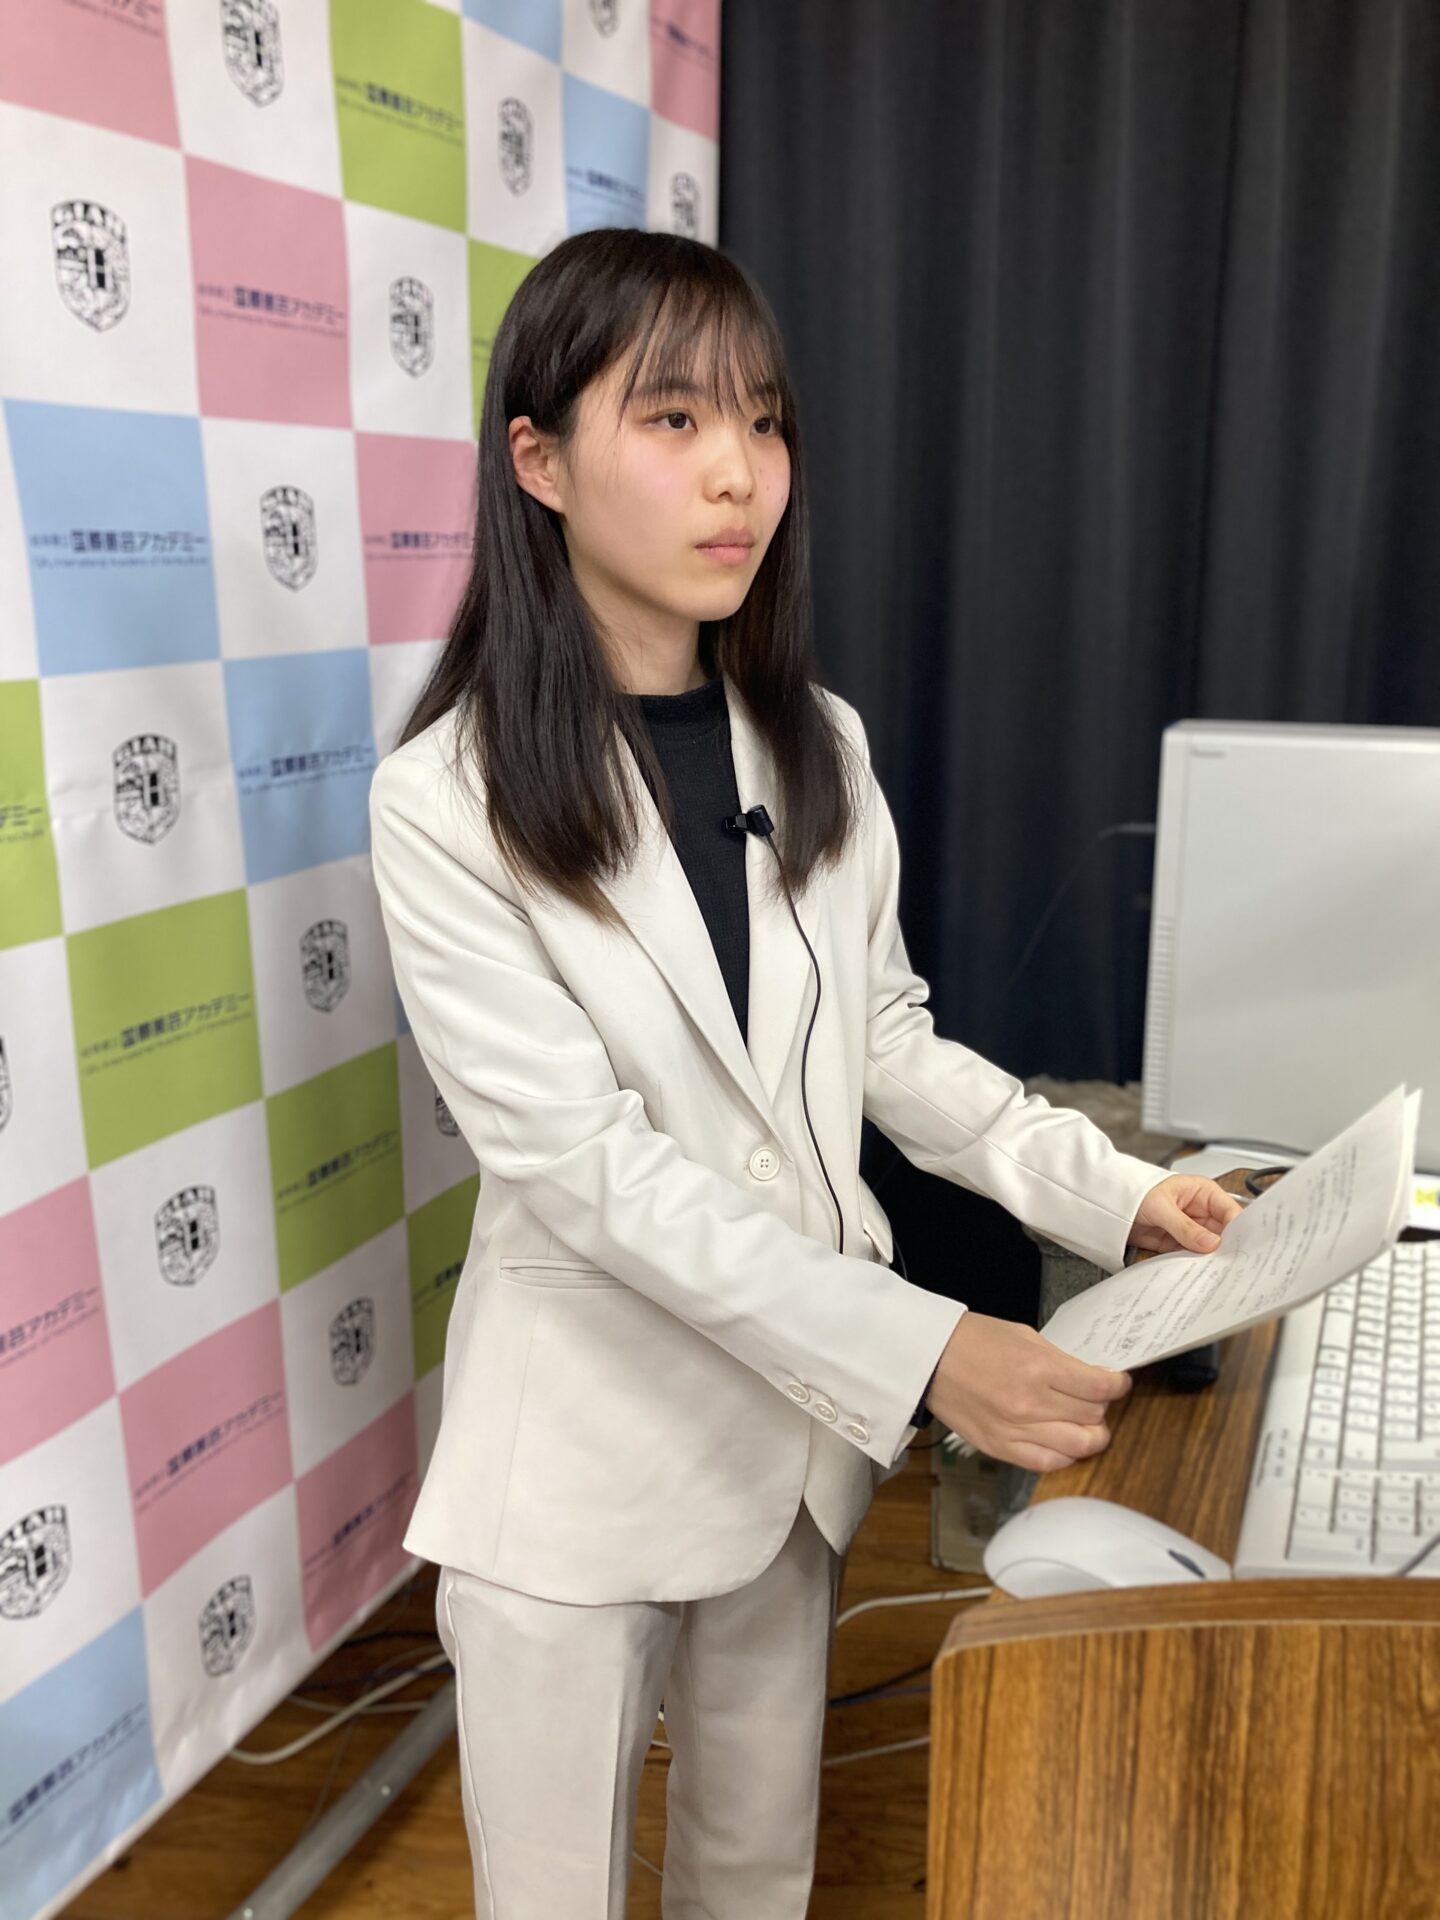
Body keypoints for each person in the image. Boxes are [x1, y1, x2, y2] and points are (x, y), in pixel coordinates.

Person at [367, 227, 1242, 1919]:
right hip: (582, 1462)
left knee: (758, 1876)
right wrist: (928, 1350)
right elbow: (591, 1175)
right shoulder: (445, 802)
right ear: (538, 463)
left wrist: (1120, 1195)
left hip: (791, 1452)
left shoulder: (816, 740)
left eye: (764, 422)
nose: (739, 475)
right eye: (674, 419)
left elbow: (886, 1041)